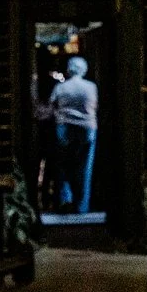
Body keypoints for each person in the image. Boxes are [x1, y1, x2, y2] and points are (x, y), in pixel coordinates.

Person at [48, 56, 99, 214]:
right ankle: (82, 205)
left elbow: (52, 105)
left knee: (64, 166)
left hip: (64, 128)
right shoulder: (91, 87)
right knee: (84, 168)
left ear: (69, 70)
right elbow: (95, 105)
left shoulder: (61, 87)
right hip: (87, 128)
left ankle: (65, 200)